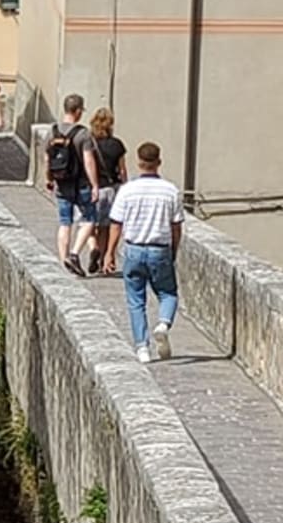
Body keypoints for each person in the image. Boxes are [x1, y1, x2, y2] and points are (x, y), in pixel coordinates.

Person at [107, 141, 183, 363]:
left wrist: (109, 252)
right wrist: (173, 251)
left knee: (135, 300)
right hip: (159, 249)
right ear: (158, 162)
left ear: (139, 162)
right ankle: (163, 323)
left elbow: (116, 223)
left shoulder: (127, 190)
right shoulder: (170, 191)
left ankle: (142, 347)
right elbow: (176, 226)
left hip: (133, 249)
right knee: (168, 293)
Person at [45, 92, 100, 273]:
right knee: (90, 218)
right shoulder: (82, 134)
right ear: (77, 111)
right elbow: (88, 161)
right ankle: (75, 253)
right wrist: (95, 185)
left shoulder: (52, 131)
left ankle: (64, 260)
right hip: (81, 183)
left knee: (64, 222)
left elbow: (47, 158)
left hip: (62, 183)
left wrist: (49, 178)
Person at [86, 108, 128, 274]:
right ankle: (104, 259)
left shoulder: (88, 143)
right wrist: (125, 186)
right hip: (109, 189)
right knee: (104, 227)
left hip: (90, 188)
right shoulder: (117, 145)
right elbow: (122, 170)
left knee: (87, 224)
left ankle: (93, 246)